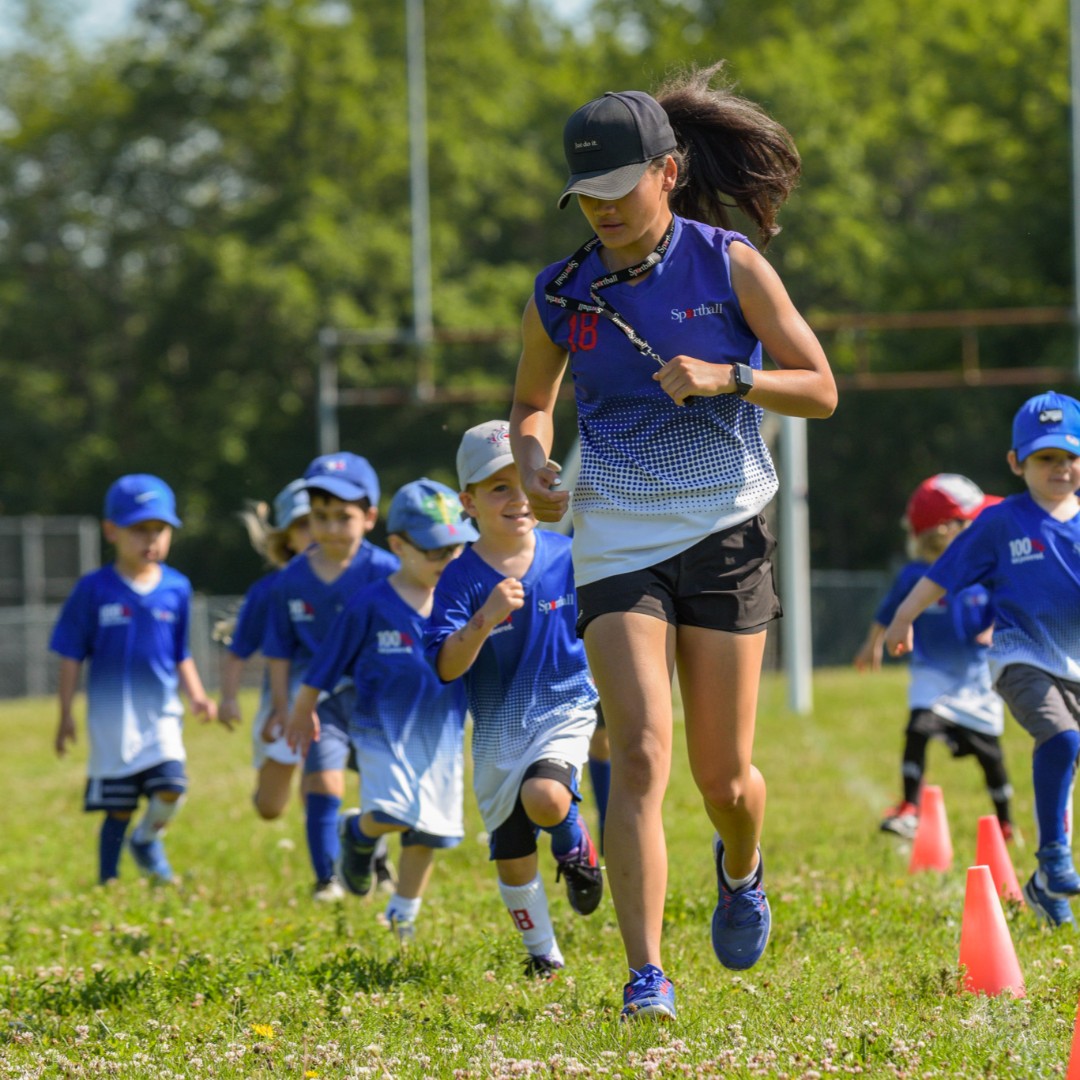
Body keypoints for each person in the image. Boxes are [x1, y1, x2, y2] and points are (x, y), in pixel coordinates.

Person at [509, 65, 837, 1019]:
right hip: (616, 539)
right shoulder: (562, 292)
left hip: (728, 527)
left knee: (722, 777)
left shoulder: (728, 262)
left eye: (620, 191)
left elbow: (818, 387)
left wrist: (731, 377)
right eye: (587, 198)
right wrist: (534, 462)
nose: (604, 212)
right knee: (641, 752)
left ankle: (742, 866)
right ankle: (645, 973)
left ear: (667, 171)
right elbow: (533, 403)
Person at [884, 392, 1080, 928]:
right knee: (1061, 738)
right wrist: (903, 617)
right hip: (1021, 658)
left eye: (1069, 456)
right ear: (1017, 463)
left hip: (1076, 662)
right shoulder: (1000, 524)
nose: (1060, 468)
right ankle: (1054, 860)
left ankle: (1041, 885)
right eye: (1045, 458)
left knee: (1066, 762)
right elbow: (943, 572)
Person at [425, 420, 603, 977]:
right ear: (468, 503)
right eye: (498, 487)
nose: (517, 497)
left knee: (547, 798)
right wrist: (485, 619)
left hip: (565, 711)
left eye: (524, 481)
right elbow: (446, 666)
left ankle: (575, 845)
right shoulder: (459, 580)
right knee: (513, 858)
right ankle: (544, 957)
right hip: (500, 737)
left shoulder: (569, 557)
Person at [287, 479, 478, 940]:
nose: (447, 562)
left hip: (443, 736)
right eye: (434, 551)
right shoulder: (370, 604)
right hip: (380, 732)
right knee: (394, 813)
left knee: (430, 833)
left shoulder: (466, 601)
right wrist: (304, 705)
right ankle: (359, 832)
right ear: (397, 545)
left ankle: (402, 914)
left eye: (456, 550)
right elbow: (328, 661)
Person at [50, 474, 223, 885]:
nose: (151, 539)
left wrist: (197, 695)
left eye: (159, 529)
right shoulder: (93, 590)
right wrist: (65, 715)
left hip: (162, 714)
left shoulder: (177, 588)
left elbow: (181, 651)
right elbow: (71, 655)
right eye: (138, 529)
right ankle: (107, 880)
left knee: (172, 786)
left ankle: (146, 840)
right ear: (111, 531)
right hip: (112, 721)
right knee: (119, 806)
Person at [262, 453, 399, 901]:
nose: (332, 528)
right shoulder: (291, 580)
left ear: (370, 518)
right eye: (320, 516)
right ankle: (327, 879)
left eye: (344, 516)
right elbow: (279, 650)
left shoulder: (387, 571)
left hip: (379, 700)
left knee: (387, 794)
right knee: (323, 782)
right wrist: (283, 707)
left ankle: (363, 841)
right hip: (317, 701)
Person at [854, 474, 1013, 841]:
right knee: (917, 727)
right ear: (945, 529)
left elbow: (1006, 601)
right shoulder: (914, 576)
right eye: (972, 522)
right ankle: (909, 807)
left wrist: (995, 627)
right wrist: (872, 642)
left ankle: (1005, 822)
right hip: (933, 675)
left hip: (977, 680)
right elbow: (889, 611)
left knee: (992, 758)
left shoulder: (983, 569)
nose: (980, 527)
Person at [218, 479, 312, 820]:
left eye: (321, 518)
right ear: (285, 536)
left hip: (331, 705)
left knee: (319, 795)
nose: (315, 531)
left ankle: (344, 852)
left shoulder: (352, 581)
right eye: (303, 524)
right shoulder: (269, 590)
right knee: (270, 807)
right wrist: (228, 698)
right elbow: (237, 651)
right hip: (280, 706)